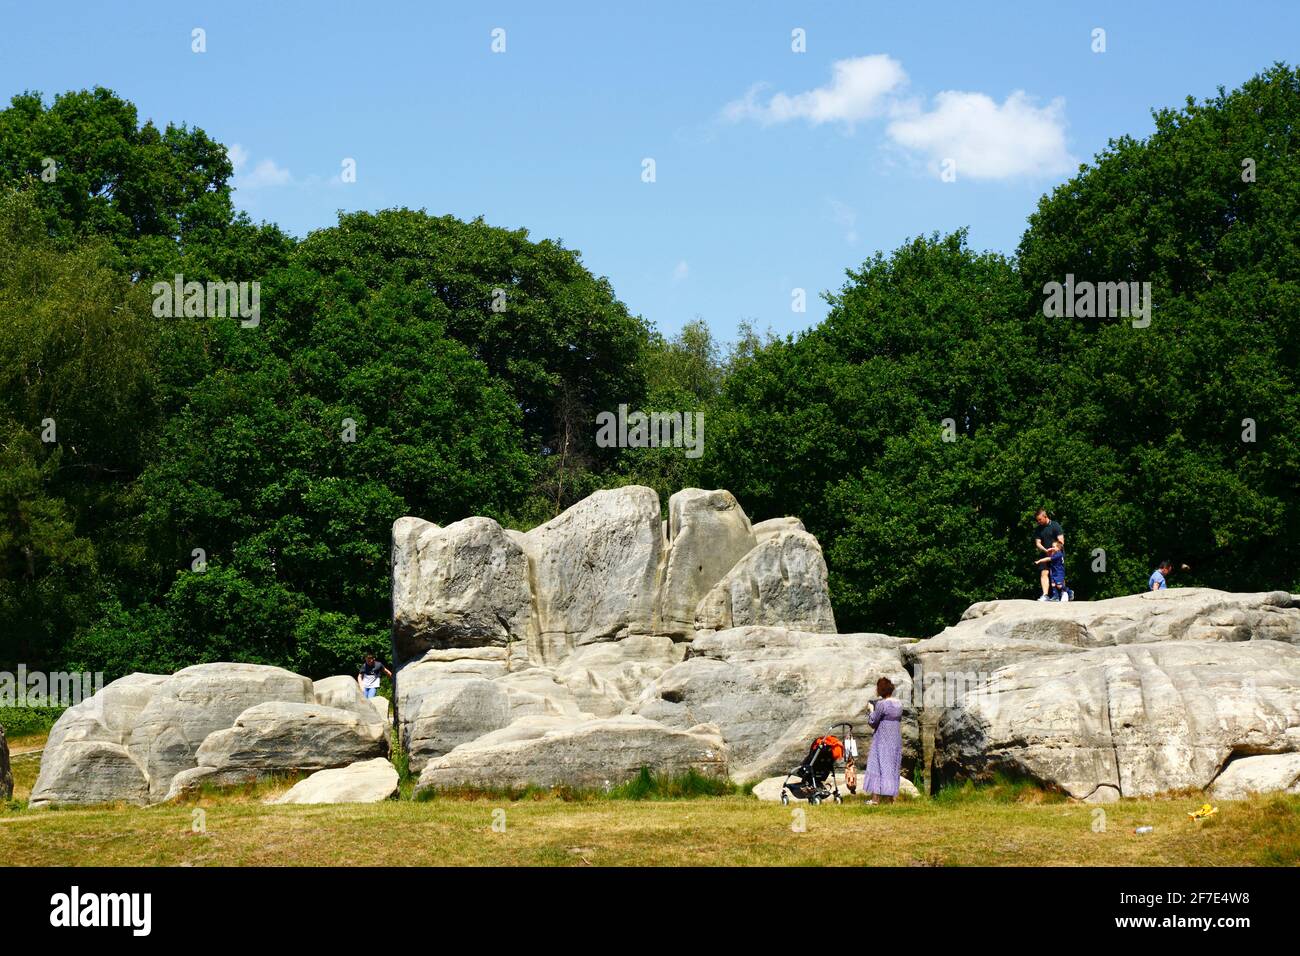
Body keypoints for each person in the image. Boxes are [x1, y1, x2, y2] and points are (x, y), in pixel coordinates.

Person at [862, 677, 903, 806]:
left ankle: (875, 799)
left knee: (877, 765)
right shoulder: (899, 704)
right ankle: (891, 799)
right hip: (895, 739)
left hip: (882, 739)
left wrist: (871, 709)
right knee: (892, 767)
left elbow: (873, 722)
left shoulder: (882, 704)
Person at [1032, 508, 1065, 601]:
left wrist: (1053, 550)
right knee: (1044, 573)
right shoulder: (1038, 529)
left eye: (1040, 519)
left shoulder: (1055, 525)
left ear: (1045, 516)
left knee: (1059, 574)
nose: (1038, 522)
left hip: (1057, 554)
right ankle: (1045, 595)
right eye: (1037, 520)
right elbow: (1038, 543)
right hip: (1045, 553)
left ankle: (1064, 593)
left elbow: (1061, 541)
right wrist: (1046, 550)